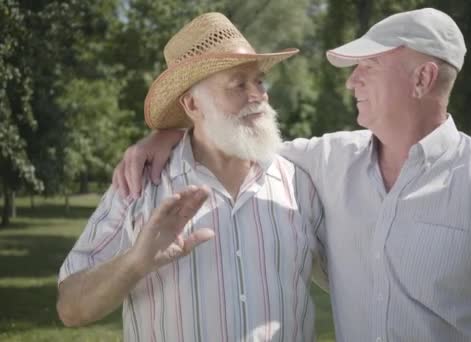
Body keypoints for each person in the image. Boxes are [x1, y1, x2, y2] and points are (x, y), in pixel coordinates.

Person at [114, 8, 471, 342]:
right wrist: (168, 133)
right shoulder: (324, 160)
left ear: (422, 78)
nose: (352, 80)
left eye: (368, 66)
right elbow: (230, 134)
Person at [57, 12, 326, 342]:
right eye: (238, 84)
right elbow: (70, 308)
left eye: (259, 81)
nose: (257, 95)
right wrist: (135, 263)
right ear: (191, 104)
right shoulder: (140, 186)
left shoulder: (299, 182)